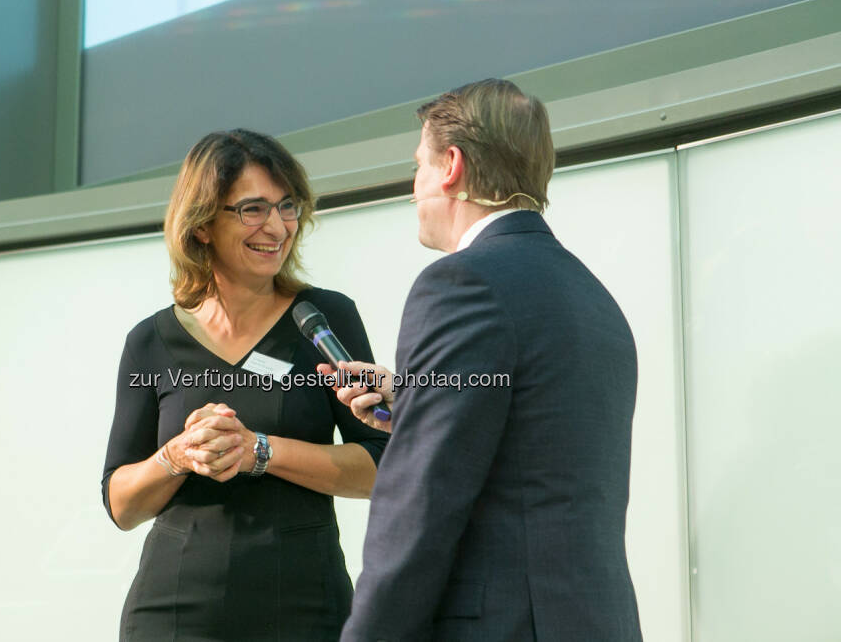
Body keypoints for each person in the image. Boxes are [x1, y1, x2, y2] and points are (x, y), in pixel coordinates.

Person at [326, 79, 643, 640]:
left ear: (451, 165)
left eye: (418, 165)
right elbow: (532, 448)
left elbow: (420, 501)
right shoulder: (593, 296)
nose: (413, 186)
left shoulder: (461, 283)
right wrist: (417, 402)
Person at [101, 129, 389, 641]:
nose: (277, 227)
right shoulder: (150, 341)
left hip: (305, 610)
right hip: (173, 614)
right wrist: (177, 455)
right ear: (203, 223)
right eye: (253, 209)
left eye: (287, 206)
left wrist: (260, 450)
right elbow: (121, 505)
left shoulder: (324, 319)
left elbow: (381, 468)